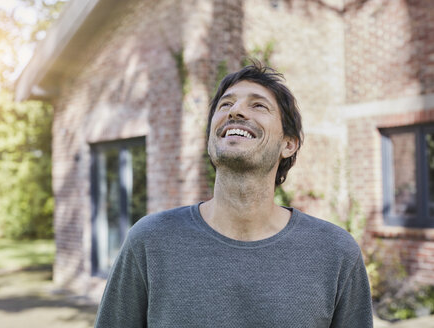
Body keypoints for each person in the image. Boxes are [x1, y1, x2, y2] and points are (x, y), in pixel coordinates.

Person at [94, 62, 373, 328]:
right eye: (226, 104)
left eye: (258, 105)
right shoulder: (150, 241)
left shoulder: (336, 253)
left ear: (288, 144)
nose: (236, 111)